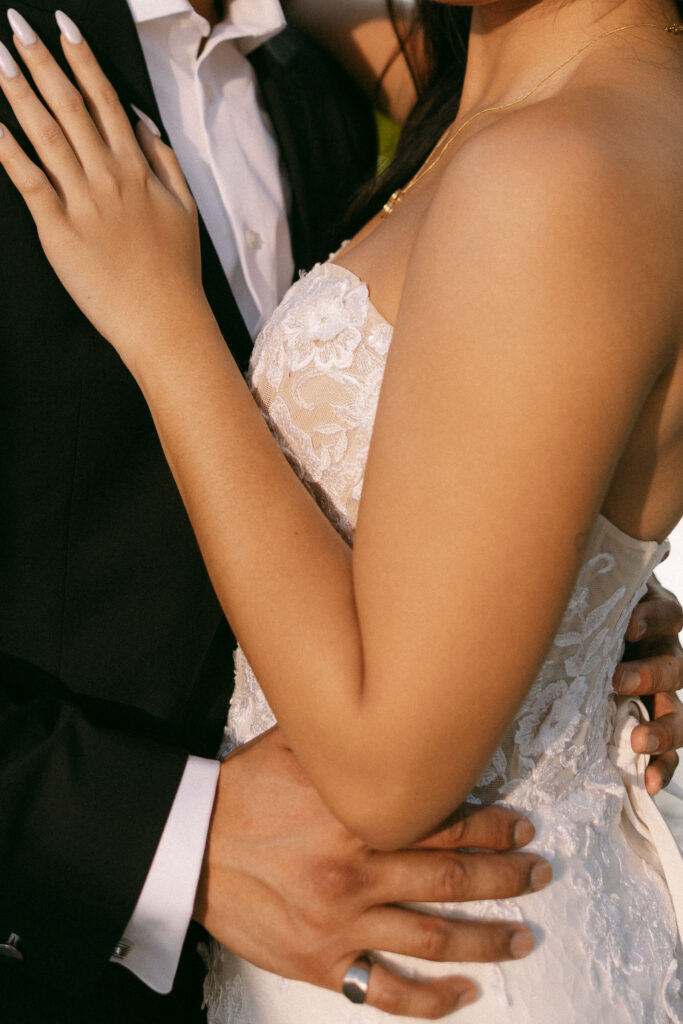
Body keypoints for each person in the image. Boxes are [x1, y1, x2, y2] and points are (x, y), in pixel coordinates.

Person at [0, 4, 682, 1024]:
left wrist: (164, 322)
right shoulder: (423, 89)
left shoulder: (547, 154)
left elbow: (387, 760)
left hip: (444, 968)